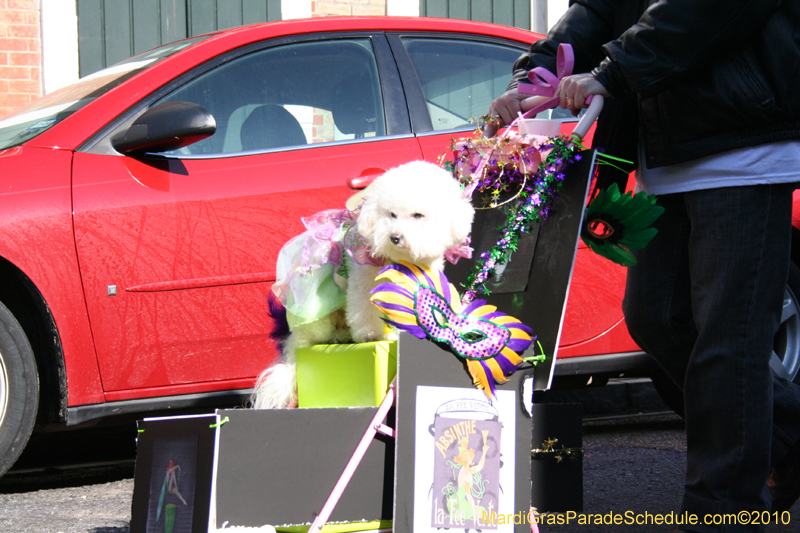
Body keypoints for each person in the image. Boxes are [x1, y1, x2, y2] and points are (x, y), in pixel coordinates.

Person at [489, 1, 800, 530]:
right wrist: (534, 75)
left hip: (743, 144)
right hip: (665, 153)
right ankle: (787, 432)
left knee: (730, 339)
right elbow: (596, 11)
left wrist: (612, 71)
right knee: (656, 317)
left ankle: (719, 509)